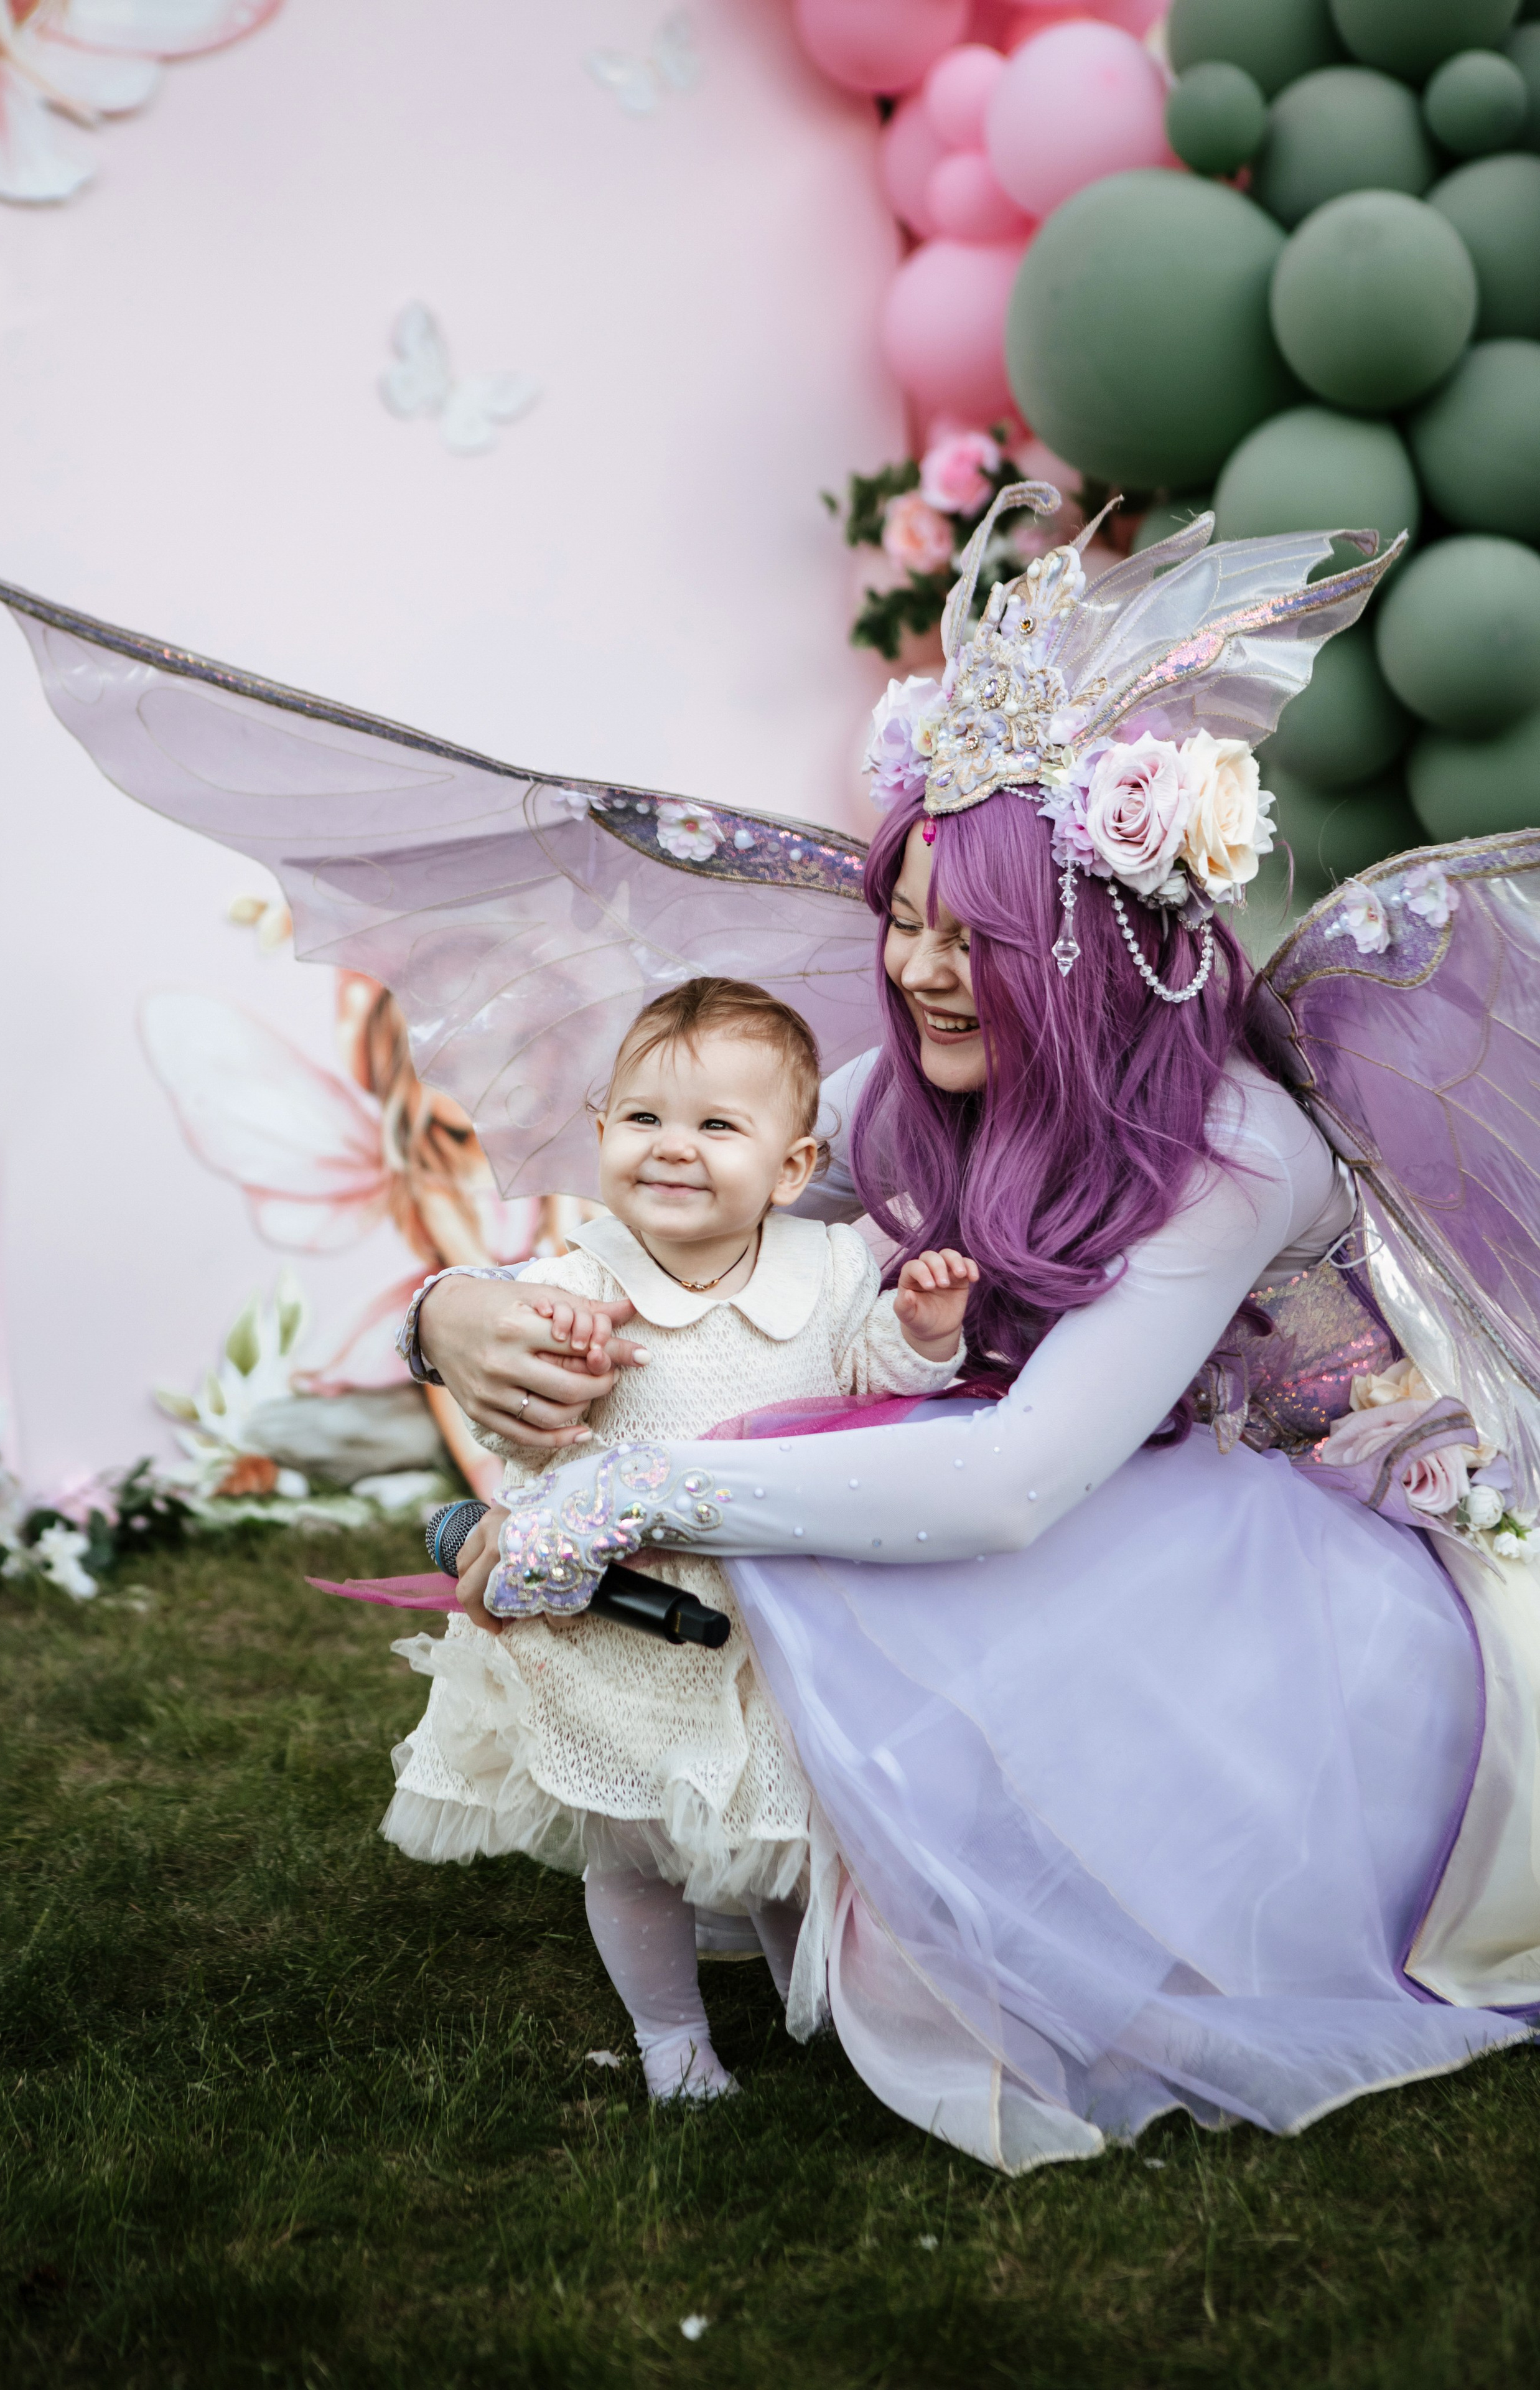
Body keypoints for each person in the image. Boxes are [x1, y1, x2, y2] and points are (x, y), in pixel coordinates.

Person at [403, 500, 1535, 2173]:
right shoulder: (916, 1090)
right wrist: (456, 1308)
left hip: (1307, 1565)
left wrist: (634, 1494)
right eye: (906, 920)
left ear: (1095, 953)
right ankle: (783, 1845)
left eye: (975, 939)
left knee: (873, 1504)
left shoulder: (1229, 1149)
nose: (921, 971)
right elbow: (689, 1208)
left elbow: (1016, 1486)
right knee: (831, 1466)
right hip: (1098, 1498)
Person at [382, 974, 974, 2102]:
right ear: (602, 1135)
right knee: (637, 1847)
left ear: (793, 1169)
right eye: (645, 1120)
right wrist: (550, 1351)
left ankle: (828, 2009)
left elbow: (869, 1387)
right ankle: (670, 2035)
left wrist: (920, 1336)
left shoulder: (835, 1269)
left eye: (716, 1126)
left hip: (773, 1620)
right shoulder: (572, 1282)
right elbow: (522, 1413)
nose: (673, 1149)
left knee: (789, 1833)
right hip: (619, 1626)